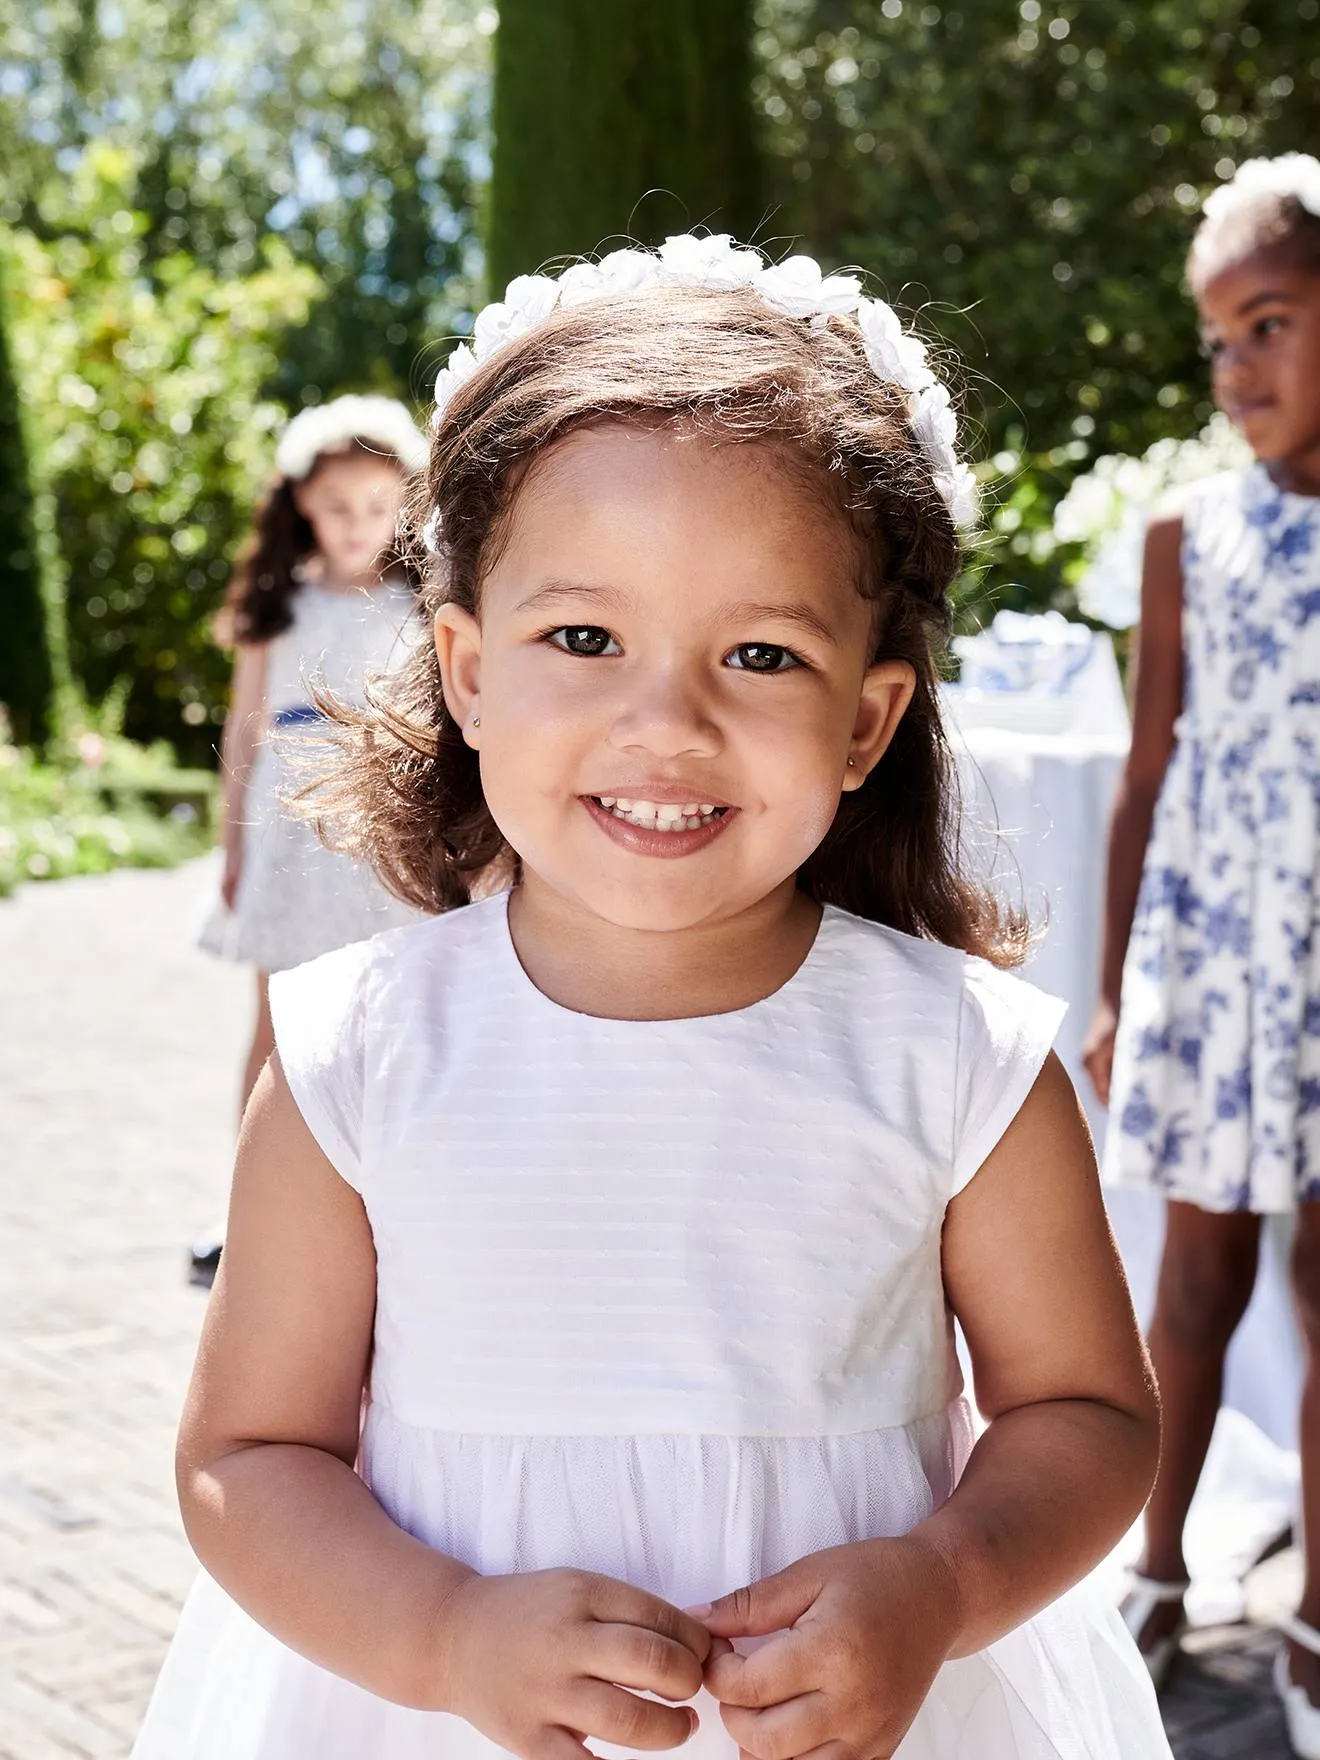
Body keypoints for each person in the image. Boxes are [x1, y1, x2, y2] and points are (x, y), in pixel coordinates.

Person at [135, 235, 1170, 1760]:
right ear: (469, 671)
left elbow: (1087, 1415)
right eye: (584, 639)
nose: (665, 722)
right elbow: (246, 1451)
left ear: (869, 717)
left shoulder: (958, 1059)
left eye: (759, 652)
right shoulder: (358, 1049)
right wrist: (437, 1633)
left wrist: (942, 1586)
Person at [1082, 155, 1320, 1748]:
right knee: (1196, 1277)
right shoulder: (1189, 539)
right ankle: (1157, 1568)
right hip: (1227, 961)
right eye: (1217, 339)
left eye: (1273, 325)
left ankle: (1308, 1614)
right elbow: (1146, 773)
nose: (1236, 368)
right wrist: (1112, 979)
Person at [190, 395, 430, 1286]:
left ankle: (389, 1212)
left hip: (382, 831)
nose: (358, 524)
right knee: (277, 1026)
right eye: (338, 506)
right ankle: (249, 1219)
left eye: (377, 504)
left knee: (390, 1017)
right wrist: (232, 848)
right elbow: (245, 729)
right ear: (300, 504)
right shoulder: (280, 605)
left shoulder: (422, 604)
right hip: (289, 831)